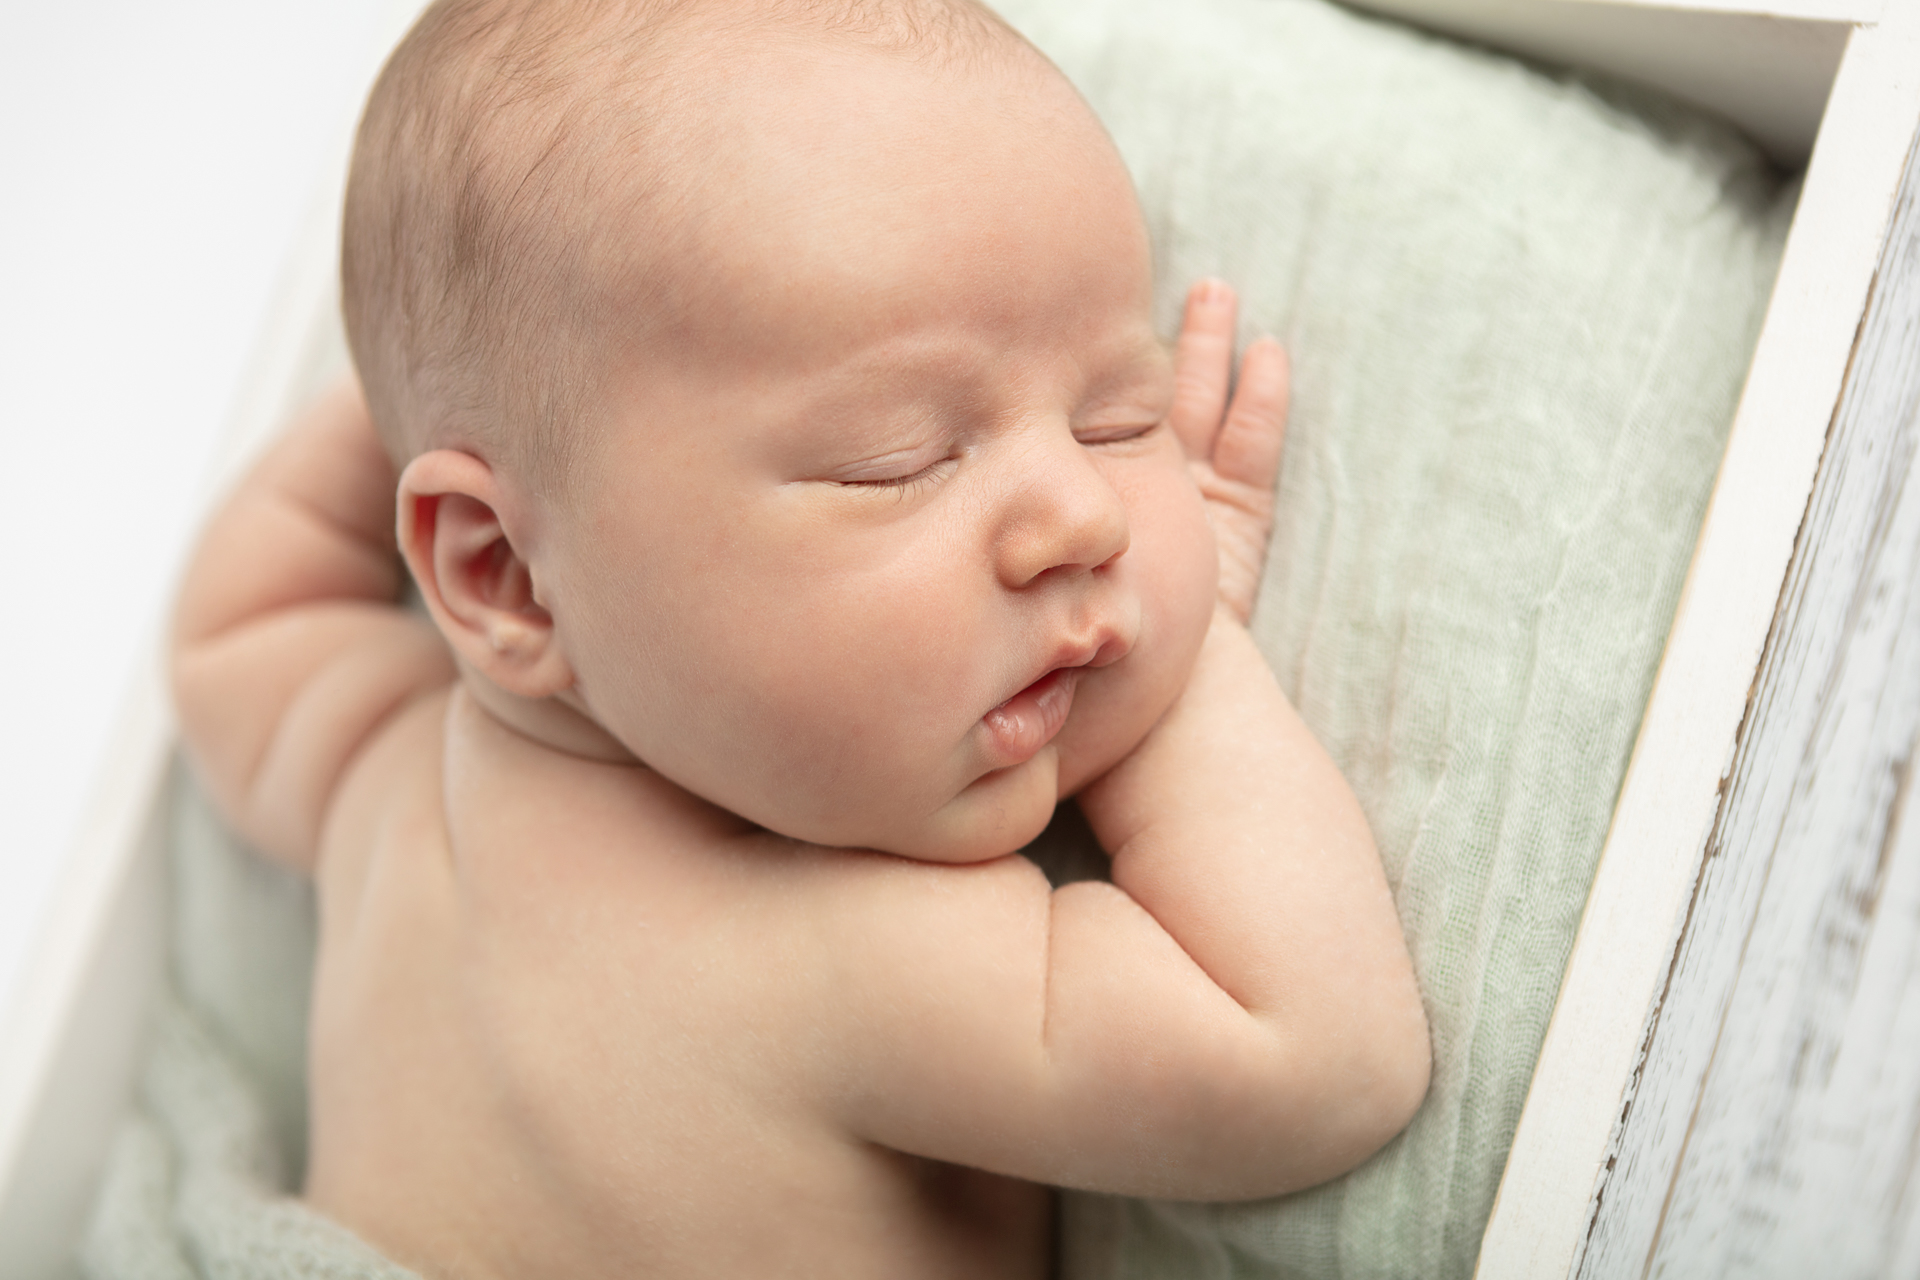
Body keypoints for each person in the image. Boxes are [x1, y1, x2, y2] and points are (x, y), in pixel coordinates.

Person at [170, 0, 1429, 1274]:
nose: (1085, 514)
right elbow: (1316, 1052)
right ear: (502, 572)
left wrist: (438, 372)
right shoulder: (837, 961)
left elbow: (236, 625)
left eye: (1118, 413)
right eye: (898, 461)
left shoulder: (373, 774)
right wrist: (1197, 634)